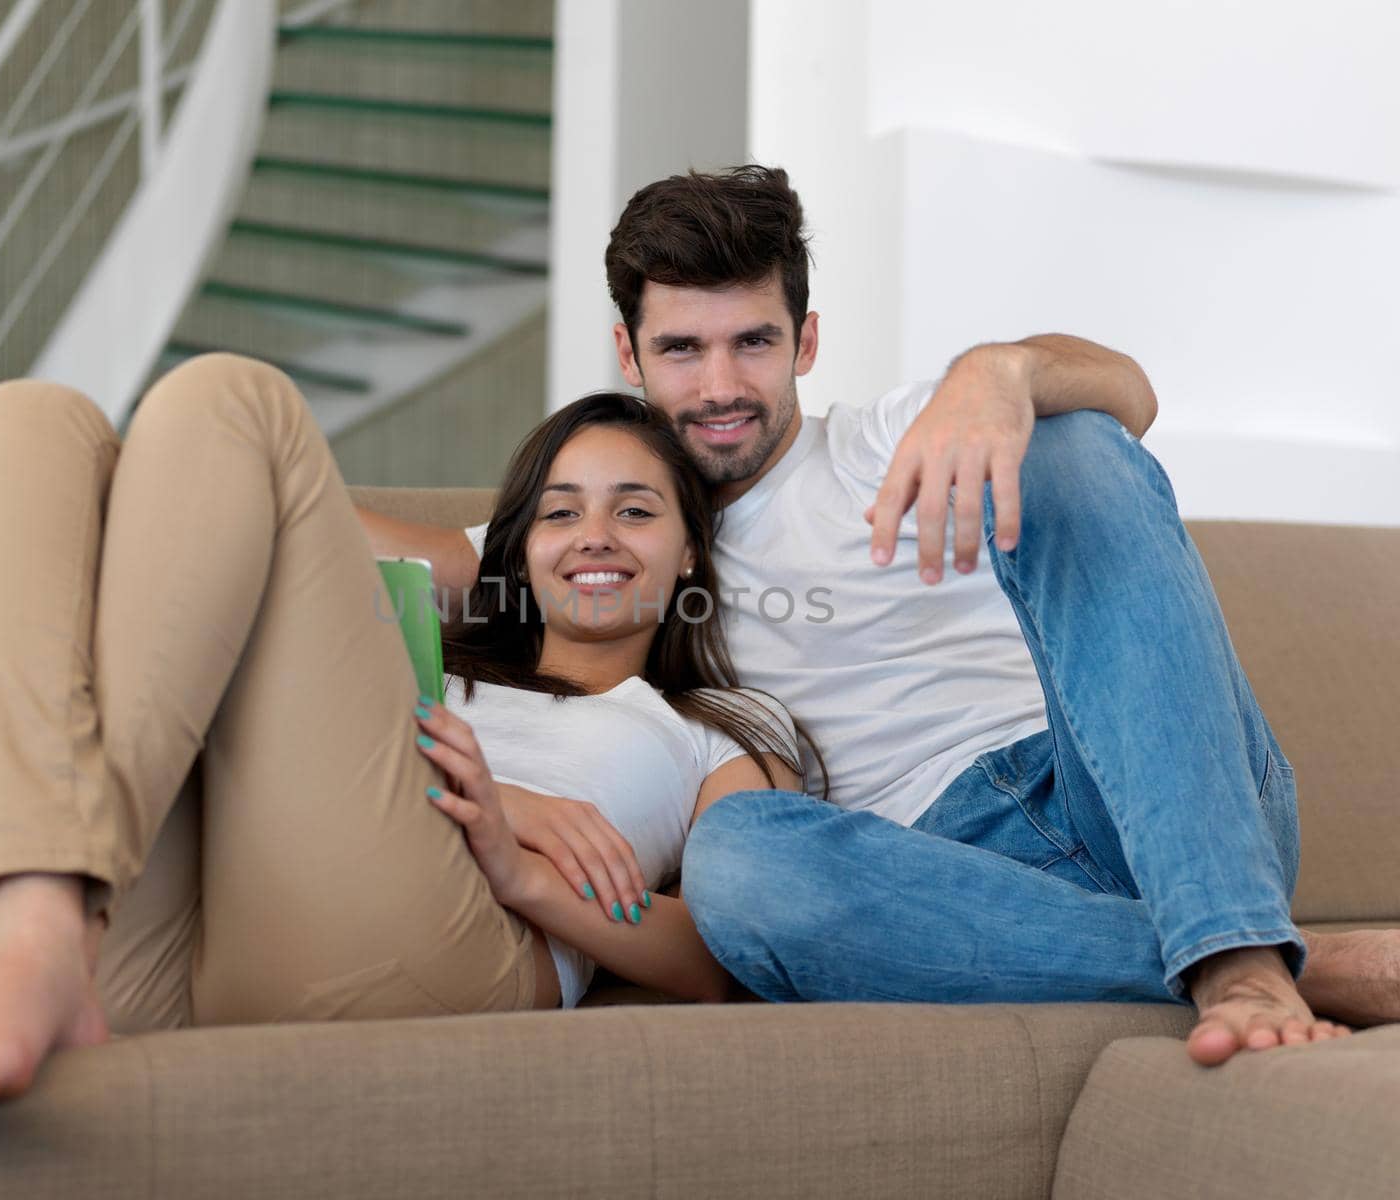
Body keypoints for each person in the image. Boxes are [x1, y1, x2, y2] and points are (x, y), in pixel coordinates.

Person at [361, 164, 1400, 1068]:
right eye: (681, 350)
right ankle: (1263, 960)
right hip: (928, 885)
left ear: (804, 341)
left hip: (1131, 788)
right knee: (738, 861)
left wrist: (1001, 373)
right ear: (628, 357)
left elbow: (1127, 397)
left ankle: (1232, 939)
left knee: (1071, 438)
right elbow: (341, 543)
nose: (721, 386)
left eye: (753, 343)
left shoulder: (891, 435)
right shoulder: (600, 536)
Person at [0, 359, 805, 1112]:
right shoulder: (426, 655)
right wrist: (28, 486)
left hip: (446, 945)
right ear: (520, 548)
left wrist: (521, 863)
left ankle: (19, 944)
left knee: (230, 397)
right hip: (196, 938)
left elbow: (729, 956)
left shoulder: (718, 732)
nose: (593, 536)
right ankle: (45, 929)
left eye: (634, 511)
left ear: (686, 555)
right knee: (27, 421)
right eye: (559, 513)